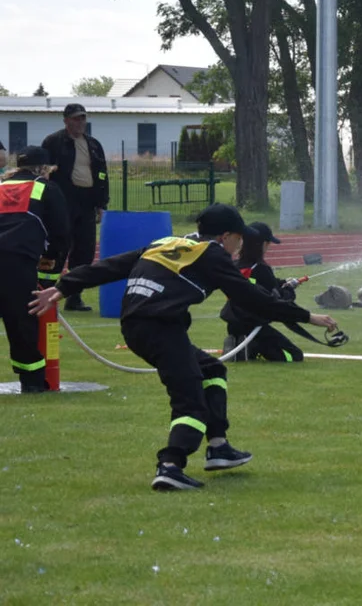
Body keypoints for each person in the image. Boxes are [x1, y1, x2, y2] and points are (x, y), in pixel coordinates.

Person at [28, 204, 339, 491]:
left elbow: (112, 266)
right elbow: (251, 298)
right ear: (226, 236)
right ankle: (170, 465)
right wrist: (308, 317)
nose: (240, 246)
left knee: (211, 369)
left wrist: (64, 286)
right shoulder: (212, 255)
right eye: (239, 239)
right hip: (159, 325)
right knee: (189, 398)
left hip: (137, 324)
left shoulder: (166, 242)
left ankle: (218, 445)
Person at [0, 147, 69, 393]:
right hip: (16, 262)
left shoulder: (0, 186)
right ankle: (32, 383)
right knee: (21, 323)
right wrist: (48, 280)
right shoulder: (47, 189)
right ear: (44, 169)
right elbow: (60, 237)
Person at [41, 103, 109, 312]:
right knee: (58, 247)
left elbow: (102, 174)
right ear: (66, 120)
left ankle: (74, 296)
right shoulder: (53, 142)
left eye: (83, 118)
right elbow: (43, 172)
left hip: (86, 201)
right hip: (62, 201)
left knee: (84, 251)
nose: (80, 122)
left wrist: (101, 203)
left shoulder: (94, 144)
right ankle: (46, 292)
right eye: (76, 118)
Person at [220, 221, 305, 362]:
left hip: (234, 323)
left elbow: (259, 284)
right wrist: (289, 289)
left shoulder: (235, 266)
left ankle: (240, 345)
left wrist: (283, 282)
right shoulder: (261, 268)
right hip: (255, 326)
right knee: (294, 355)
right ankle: (251, 347)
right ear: (262, 244)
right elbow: (279, 300)